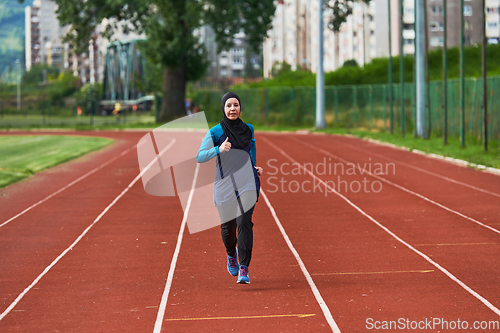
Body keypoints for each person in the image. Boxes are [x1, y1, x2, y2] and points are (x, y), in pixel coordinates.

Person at [196, 92, 263, 284]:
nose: (232, 109)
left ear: (240, 108)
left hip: (247, 182)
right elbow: (200, 156)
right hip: (225, 184)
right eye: (228, 105)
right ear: (223, 109)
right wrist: (218, 149)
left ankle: (244, 268)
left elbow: (251, 150)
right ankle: (230, 252)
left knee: (244, 221)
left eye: (236, 105)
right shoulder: (215, 132)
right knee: (228, 228)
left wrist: (254, 167)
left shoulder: (248, 129)